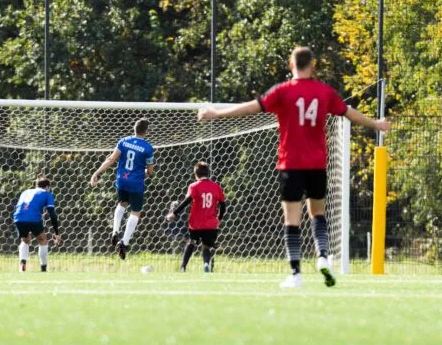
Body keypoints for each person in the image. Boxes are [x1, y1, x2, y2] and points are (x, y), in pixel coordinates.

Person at [198, 46, 391, 288]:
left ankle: (296, 273)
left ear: (291, 66)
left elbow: (251, 107)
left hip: (290, 164)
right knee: (317, 214)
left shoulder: (283, 92)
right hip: (316, 164)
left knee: (292, 220)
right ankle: (322, 256)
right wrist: (376, 124)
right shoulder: (324, 92)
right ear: (313, 65)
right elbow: (349, 113)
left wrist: (216, 113)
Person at [89, 118, 155, 260]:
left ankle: (114, 231)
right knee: (136, 212)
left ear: (134, 128)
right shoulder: (148, 148)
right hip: (136, 183)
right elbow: (150, 171)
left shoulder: (123, 141)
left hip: (122, 180)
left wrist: (96, 173)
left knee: (122, 204)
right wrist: (146, 173)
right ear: (146, 131)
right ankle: (124, 242)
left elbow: (111, 160)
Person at [167, 162, 226, 273]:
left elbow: (187, 201)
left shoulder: (194, 186)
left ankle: (183, 267)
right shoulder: (216, 187)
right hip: (211, 224)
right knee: (207, 247)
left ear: (195, 174)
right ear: (208, 173)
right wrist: (219, 219)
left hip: (196, 224)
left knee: (192, 242)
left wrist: (174, 213)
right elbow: (223, 205)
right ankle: (206, 264)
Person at [13, 176, 61, 272]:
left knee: (25, 240)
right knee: (42, 239)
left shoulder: (25, 192)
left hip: (18, 217)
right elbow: (52, 214)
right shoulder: (47, 194)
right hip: (33, 218)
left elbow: (19, 206)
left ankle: (22, 265)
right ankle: (43, 268)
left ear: (36, 185)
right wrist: (56, 233)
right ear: (47, 186)